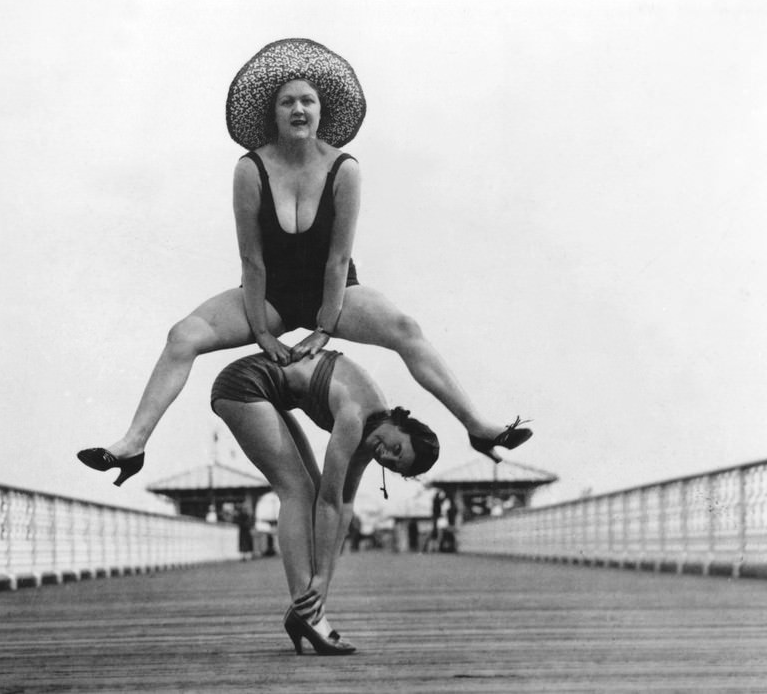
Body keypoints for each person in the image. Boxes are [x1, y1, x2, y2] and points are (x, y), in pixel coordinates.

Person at [77, 38, 531, 486]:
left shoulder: (345, 169)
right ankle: (133, 445)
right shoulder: (250, 168)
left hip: (332, 293)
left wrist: (324, 328)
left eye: (308, 101)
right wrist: (260, 332)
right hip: (268, 294)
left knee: (405, 330)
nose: (298, 109)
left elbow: (338, 260)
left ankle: (477, 425)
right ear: (272, 114)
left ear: (321, 111)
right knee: (183, 336)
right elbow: (251, 260)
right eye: (287, 101)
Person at [209, 346, 439, 655]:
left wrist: (325, 579)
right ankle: (308, 613)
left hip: (269, 393)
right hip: (244, 385)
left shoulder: (373, 437)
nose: (384, 455)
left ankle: (307, 609)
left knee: (312, 488)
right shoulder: (357, 416)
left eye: (392, 464)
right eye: (396, 448)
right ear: (401, 423)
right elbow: (329, 504)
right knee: (298, 491)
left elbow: (343, 506)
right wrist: (319, 578)